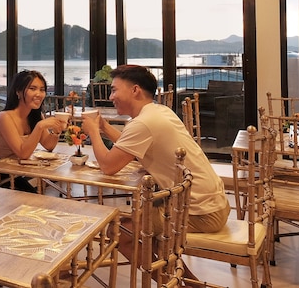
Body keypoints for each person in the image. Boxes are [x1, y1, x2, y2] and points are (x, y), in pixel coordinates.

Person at [79, 64, 229, 280]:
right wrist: (103, 127)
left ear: (135, 90)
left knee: (120, 232)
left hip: (201, 212)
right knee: (147, 233)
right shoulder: (158, 111)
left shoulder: (144, 123)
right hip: (212, 203)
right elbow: (129, 146)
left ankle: (172, 284)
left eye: (114, 90)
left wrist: (93, 132)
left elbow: (108, 166)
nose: (111, 97)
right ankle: (189, 284)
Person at [0, 69, 68, 192]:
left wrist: (56, 130)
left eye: (42, 89)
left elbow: (49, 145)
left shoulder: (35, 115)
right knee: (32, 198)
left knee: (35, 197)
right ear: (18, 92)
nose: (38, 94)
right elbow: (22, 154)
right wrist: (40, 126)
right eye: (32, 89)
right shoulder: (4, 117)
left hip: (13, 172)